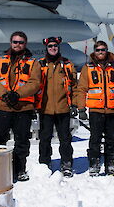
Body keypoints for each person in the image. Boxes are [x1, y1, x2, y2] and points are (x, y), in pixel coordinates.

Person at [0, 31, 41, 182]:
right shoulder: (0, 61)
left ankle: (20, 169)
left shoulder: (33, 63)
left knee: (22, 141)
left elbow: (35, 83)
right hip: (3, 106)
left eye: (21, 42)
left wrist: (18, 94)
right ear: (11, 43)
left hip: (23, 108)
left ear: (25, 44)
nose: (18, 45)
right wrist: (4, 94)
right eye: (15, 42)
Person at [77, 40, 114, 176]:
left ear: (106, 51)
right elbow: (81, 89)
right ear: (94, 52)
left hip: (112, 110)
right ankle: (94, 164)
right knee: (95, 139)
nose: (100, 52)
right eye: (98, 50)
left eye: (103, 50)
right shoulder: (87, 69)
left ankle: (111, 164)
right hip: (96, 110)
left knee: (111, 139)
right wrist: (81, 109)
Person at [36, 36, 77, 178]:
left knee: (65, 138)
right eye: (50, 46)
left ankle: (66, 163)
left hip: (63, 108)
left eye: (55, 46)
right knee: (45, 137)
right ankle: (44, 162)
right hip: (45, 109)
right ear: (46, 48)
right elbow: (33, 85)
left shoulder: (66, 65)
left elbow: (75, 85)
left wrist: (75, 104)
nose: (53, 48)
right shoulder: (40, 65)